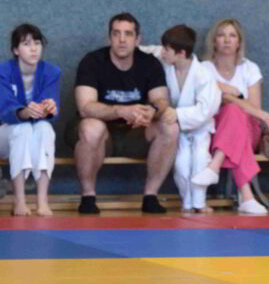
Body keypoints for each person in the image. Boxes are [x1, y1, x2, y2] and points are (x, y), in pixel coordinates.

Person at [70, 12, 178, 214]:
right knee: (92, 127)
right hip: (99, 132)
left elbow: (162, 101)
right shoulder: (92, 61)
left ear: (138, 39)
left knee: (170, 127)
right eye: (116, 33)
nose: (122, 39)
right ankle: (88, 196)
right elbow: (85, 107)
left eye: (128, 34)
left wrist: (152, 110)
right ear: (109, 38)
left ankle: (151, 196)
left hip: (135, 131)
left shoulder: (149, 63)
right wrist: (120, 110)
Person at [189, 18, 269, 215]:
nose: (227, 40)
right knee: (232, 111)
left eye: (232, 36)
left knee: (234, 111)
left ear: (239, 42)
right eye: (221, 35)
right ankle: (247, 197)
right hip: (214, 130)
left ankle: (214, 166)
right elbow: (216, 100)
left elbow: (254, 109)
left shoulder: (250, 68)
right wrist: (233, 97)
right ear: (214, 41)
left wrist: (231, 95)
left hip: (250, 130)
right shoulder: (204, 69)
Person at [158, 25, 222, 214]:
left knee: (200, 161)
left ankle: (200, 203)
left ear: (182, 53)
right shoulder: (167, 65)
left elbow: (206, 110)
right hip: (180, 130)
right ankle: (187, 203)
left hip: (200, 129)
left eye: (167, 49)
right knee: (181, 165)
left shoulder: (203, 74)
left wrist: (178, 114)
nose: (163, 52)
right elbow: (150, 50)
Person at [0, 24, 60, 216]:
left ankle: (42, 201)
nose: (34, 48)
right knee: (23, 129)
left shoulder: (52, 71)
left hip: (35, 130)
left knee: (45, 128)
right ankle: (19, 200)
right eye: (26, 44)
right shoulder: (3, 72)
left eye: (37, 43)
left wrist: (49, 108)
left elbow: (52, 105)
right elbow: (4, 110)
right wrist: (24, 112)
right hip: (5, 133)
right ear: (16, 50)